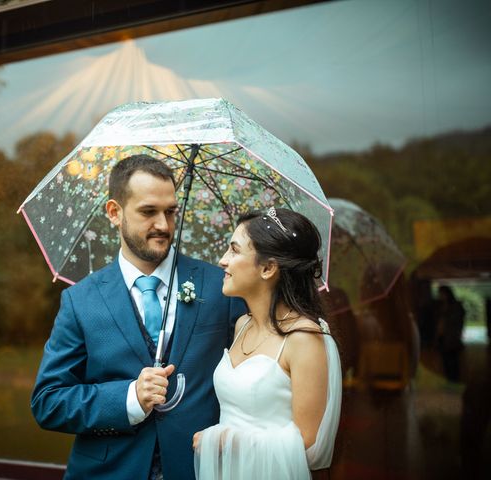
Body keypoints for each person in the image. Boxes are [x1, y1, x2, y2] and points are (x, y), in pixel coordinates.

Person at [31, 155, 246, 480]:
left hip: (199, 469)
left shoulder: (221, 287)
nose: (163, 224)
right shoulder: (80, 300)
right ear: (114, 213)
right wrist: (128, 399)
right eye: (148, 212)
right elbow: (49, 402)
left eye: (171, 212)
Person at [193, 207, 342, 479]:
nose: (223, 260)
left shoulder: (304, 339)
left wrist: (225, 441)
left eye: (234, 250)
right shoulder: (242, 325)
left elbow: (309, 443)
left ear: (268, 268)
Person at [435, 285, 465, 383]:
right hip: (442, 336)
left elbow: (457, 322)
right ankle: (449, 379)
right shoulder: (441, 306)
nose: (440, 296)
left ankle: (454, 379)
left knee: (452, 360)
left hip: (451, 336)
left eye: (441, 293)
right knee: (445, 360)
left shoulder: (455, 306)